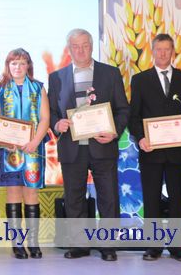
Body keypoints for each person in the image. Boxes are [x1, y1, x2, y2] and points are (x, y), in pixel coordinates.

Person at [47, 29, 129, 261]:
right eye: (75, 46)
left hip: (103, 145)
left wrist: (114, 132)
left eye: (85, 45)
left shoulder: (110, 73)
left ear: (91, 46)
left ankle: (108, 246)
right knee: (74, 197)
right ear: (69, 49)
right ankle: (79, 245)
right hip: (72, 147)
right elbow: (51, 111)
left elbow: (123, 109)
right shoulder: (56, 77)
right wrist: (57, 123)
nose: (80, 50)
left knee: (108, 197)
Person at [129, 33, 181, 262]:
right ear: (152, 51)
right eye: (159, 49)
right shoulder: (139, 80)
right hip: (151, 150)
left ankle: (178, 248)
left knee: (178, 200)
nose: (163, 53)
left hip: (178, 150)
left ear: (173, 52)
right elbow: (134, 116)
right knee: (151, 199)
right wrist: (140, 138)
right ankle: (153, 247)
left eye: (167, 49)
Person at [0, 48, 49, 259]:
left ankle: (33, 242)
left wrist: (35, 142)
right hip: (9, 150)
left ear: (28, 66)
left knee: (31, 193)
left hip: (33, 148)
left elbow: (45, 118)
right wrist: (4, 139)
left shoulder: (38, 88)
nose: (18, 67)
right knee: (13, 192)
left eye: (22, 63)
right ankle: (17, 243)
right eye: (14, 63)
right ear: (8, 65)